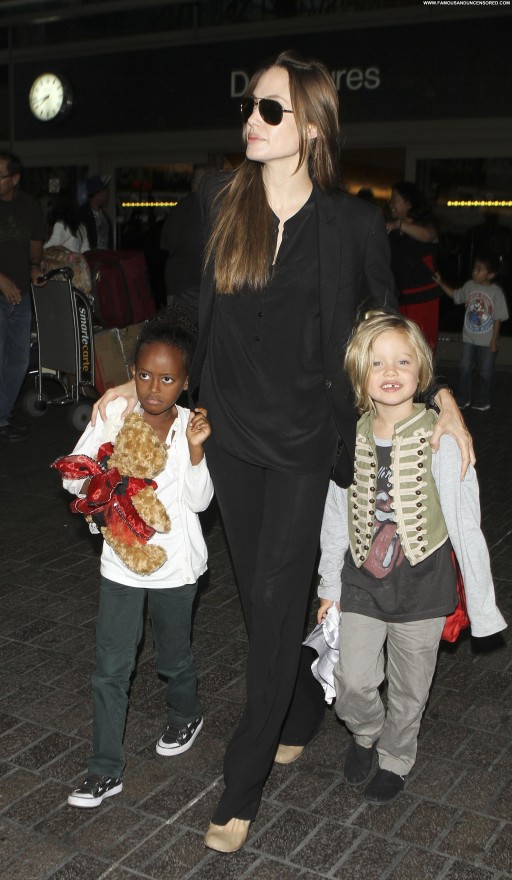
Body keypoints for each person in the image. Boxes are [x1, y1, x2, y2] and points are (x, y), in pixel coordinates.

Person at [92, 51, 472, 851]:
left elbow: (385, 329)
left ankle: (243, 779)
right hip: (229, 434)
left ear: (313, 126)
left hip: (306, 441)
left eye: (271, 109)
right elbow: (191, 303)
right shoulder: (218, 198)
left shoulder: (352, 224)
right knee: (265, 599)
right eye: (251, 107)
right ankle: (300, 705)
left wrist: (441, 397)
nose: (252, 121)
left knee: (272, 599)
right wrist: (142, 374)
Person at [316, 311, 506, 804]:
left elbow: (465, 523)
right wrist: (329, 587)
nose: (391, 371)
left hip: (424, 583)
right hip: (362, 580)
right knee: (353, 680)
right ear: (359, 374)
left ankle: (396, 755)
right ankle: (365, 731)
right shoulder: (350, 435)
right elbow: (335, 515)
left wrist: (483, 606)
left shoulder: (441, 437)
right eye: (377, 362)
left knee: (410, 686)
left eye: (403, 361)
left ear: (421, 370)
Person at [56, 312, 213, 808]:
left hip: (175, 567)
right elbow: (72, 478)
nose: (153, 388)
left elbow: (200, 501)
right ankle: (104, 768)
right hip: (120, 565)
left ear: (184, 382)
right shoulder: (116, 412)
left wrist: (195, 452)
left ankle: (186, 713)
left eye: (167, 379)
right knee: (111, 668)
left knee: (173, 658)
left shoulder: (190, 425)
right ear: (133, 372)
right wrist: (103, 471)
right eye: (144, 375)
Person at [0, 151, 45, 442]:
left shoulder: (29, 205)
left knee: (18, 361)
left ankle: (2, 415)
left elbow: (35, 242)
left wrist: (34, 267)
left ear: (14, 178)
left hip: (21, 294)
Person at [434, 254, 509, 411]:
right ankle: (463, 398)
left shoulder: (496, 292)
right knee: (464, 368)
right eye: (474, 268)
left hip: (487, 340)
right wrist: (440, 282)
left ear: (490, 275)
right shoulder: (469, 286)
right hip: (469, 338)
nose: (474, 272)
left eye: (479, 269)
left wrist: (494, 339)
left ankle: (483, 400)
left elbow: (498, 318)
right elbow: (455, 295)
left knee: (485, 371)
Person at [386, 181, 440, 351]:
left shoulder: (425, 225)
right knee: (401, 346)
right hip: (400, 298)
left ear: (409, 202)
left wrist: (399, 224)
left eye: (395, 199)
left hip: (423, 298)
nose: (391, 203)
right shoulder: (392, 229)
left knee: (422, 346)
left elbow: (428, 236)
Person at [160, 165, 215, 324]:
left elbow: (164, 245)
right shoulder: (207, 208)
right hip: (196, 287)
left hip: (175, 284)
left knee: (179, 334)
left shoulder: (178, 208)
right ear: (206, 183)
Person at [78, 175, 113, 250]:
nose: (108, 195)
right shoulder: (82, 215)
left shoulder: (105, 217)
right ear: (99, 192)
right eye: (106, 191)